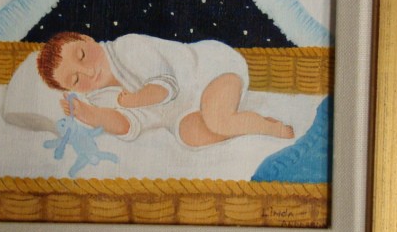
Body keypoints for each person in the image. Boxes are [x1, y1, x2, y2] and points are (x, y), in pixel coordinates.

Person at [37, 31, 294, 148]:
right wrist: (92, 116)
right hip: (182, 111)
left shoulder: (128, 47)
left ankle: (268, 127)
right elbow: (127, 124)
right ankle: (241, 125)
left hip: (208, 71)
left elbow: (164, 87)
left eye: (82, 56)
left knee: (217, 119)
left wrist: (134, 100)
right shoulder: (99, 97)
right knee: (191, 136)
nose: (88, 71)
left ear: (87, 39)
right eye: (76, 80)